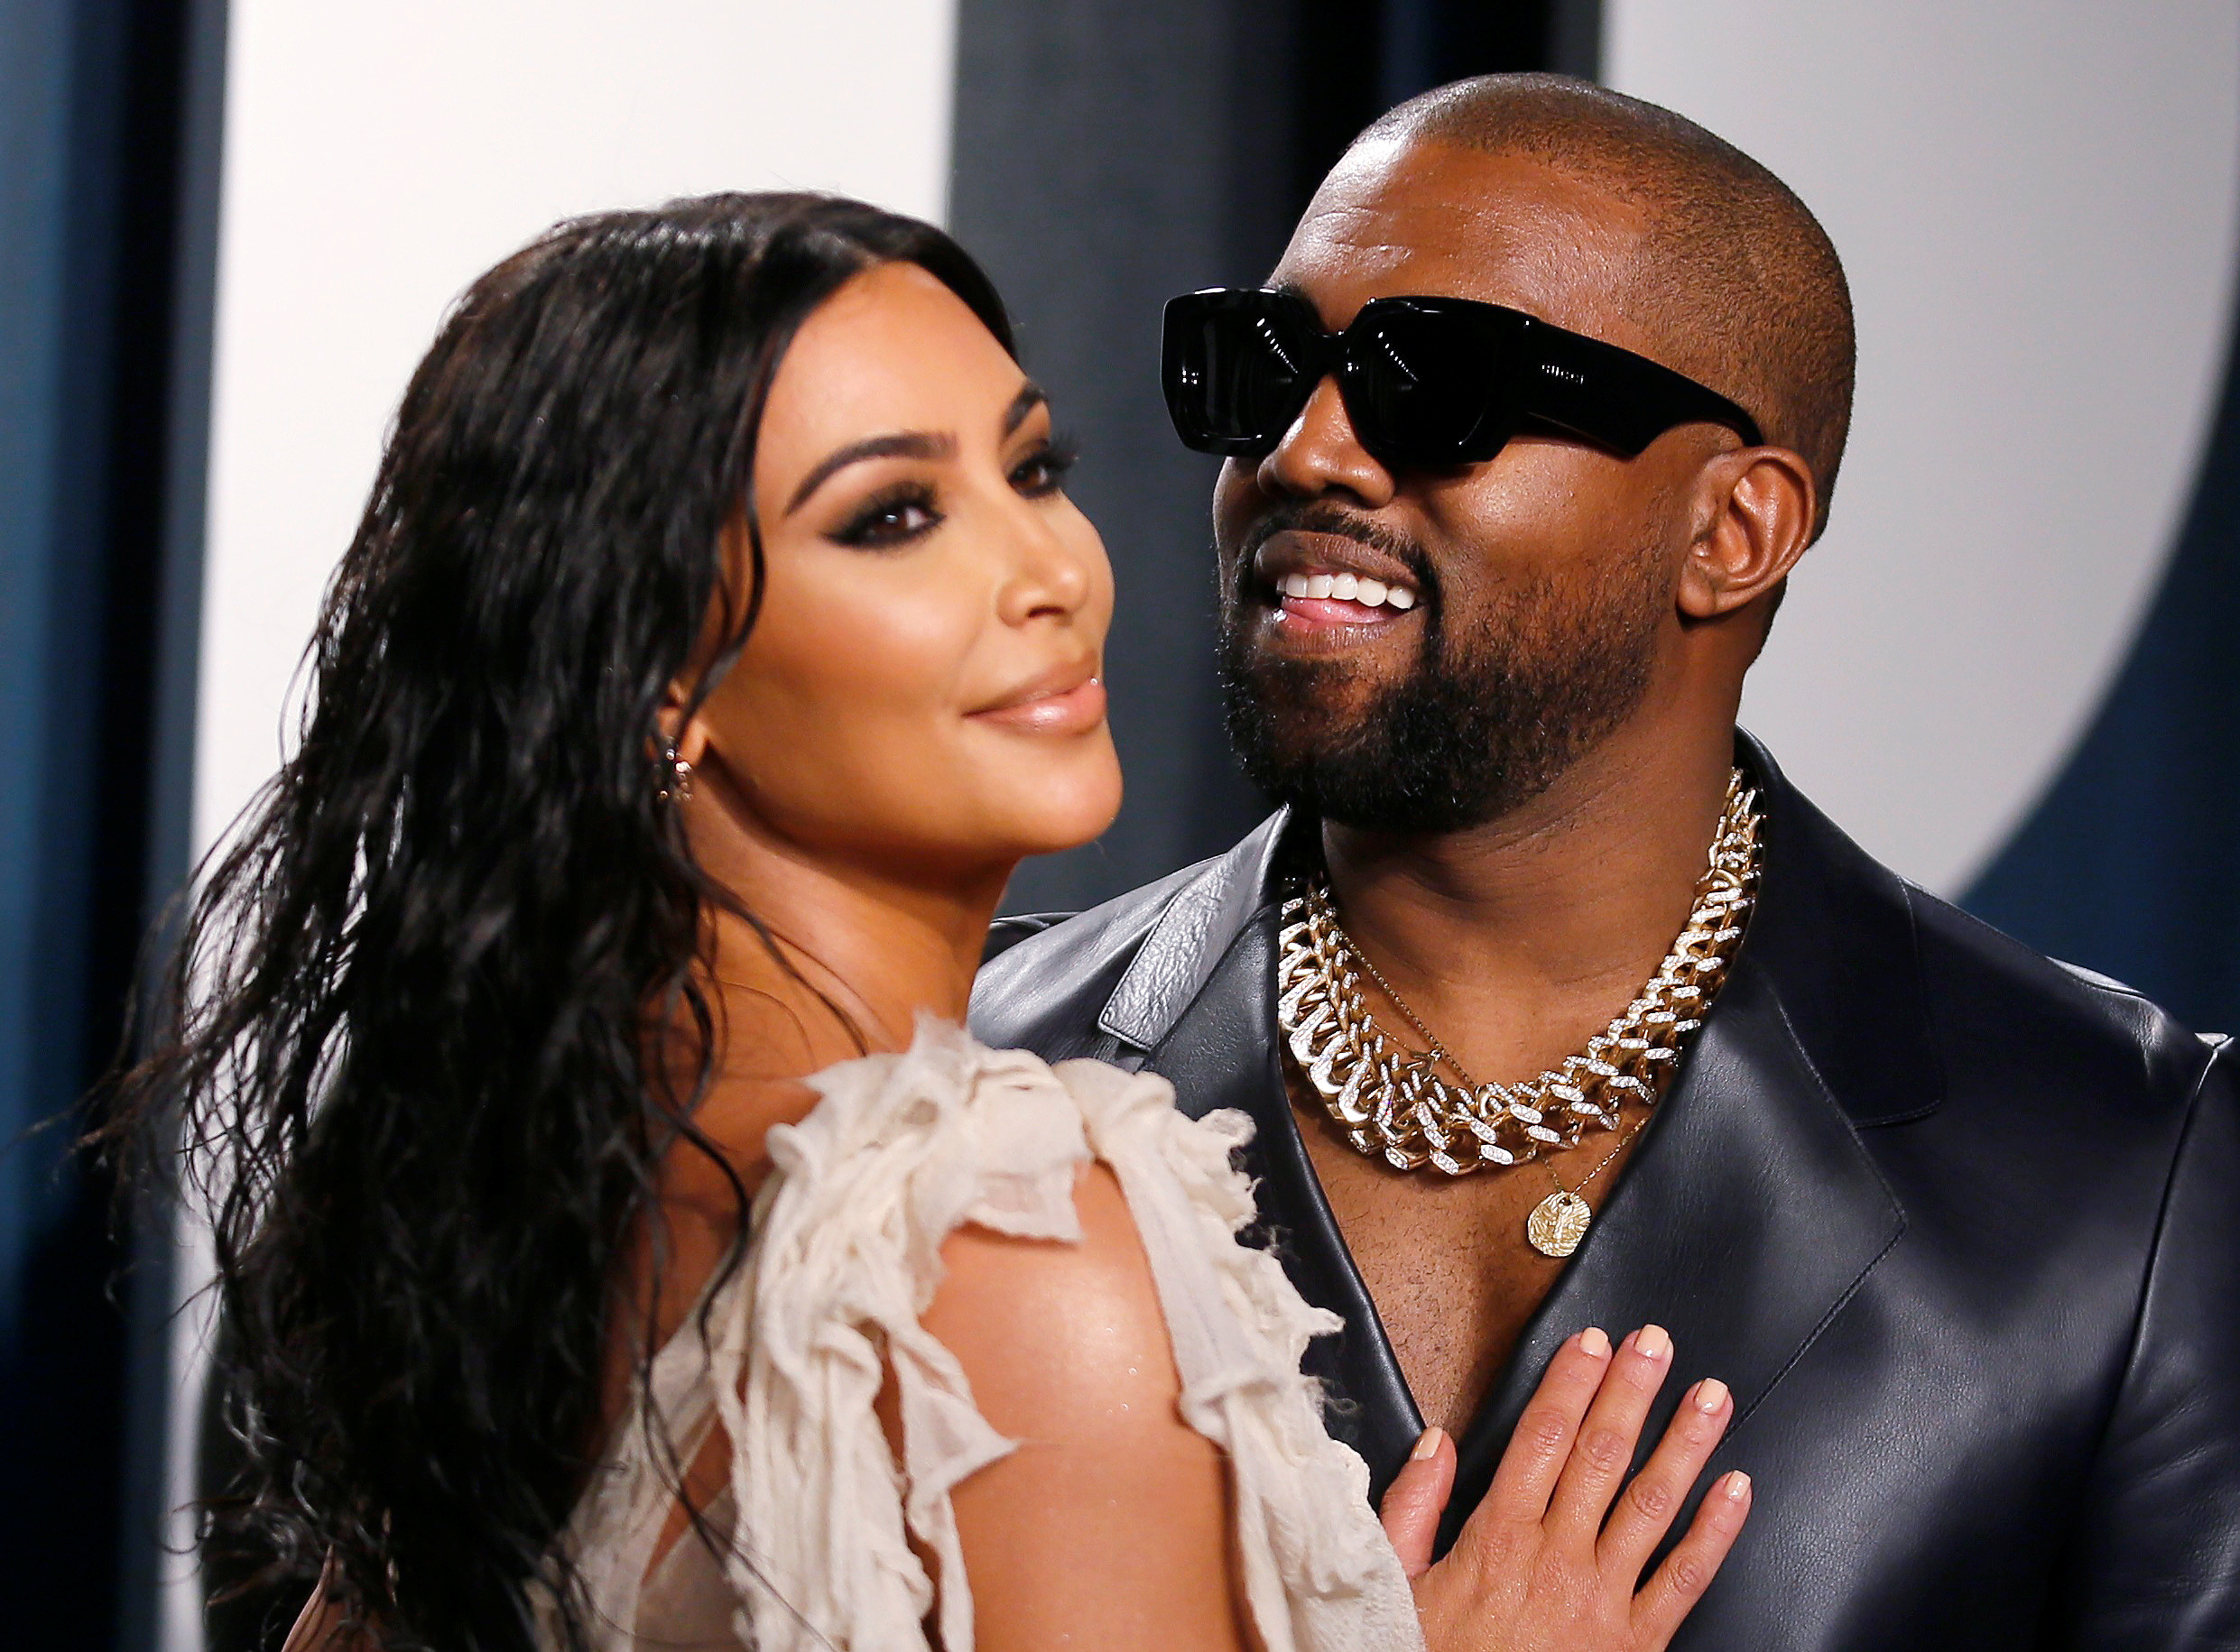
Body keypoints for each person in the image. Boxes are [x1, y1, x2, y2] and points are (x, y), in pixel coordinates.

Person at [106, 191, 1745, 1652]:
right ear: (658, 681)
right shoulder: (1006, 1246)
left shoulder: (532, 1186)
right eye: (893, 515)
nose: (1048, 570)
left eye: (1033, 470)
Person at [973, 73, 2240, 1649]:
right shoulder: (972, 1084)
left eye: (1436, 385)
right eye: (1267, 367)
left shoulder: (2129, 1175)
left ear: (1734, 530)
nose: (1305, 450)